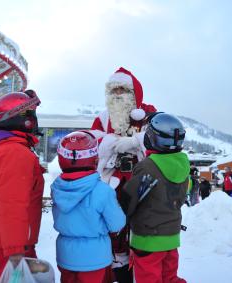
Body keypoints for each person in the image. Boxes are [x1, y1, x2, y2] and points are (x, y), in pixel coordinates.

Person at [90, 67, 156, 282]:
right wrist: (112, 143)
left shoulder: (147, 114)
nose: (118, 94)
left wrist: (136, 141)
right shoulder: (102, 118)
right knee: (113, 224)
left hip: (140, 181)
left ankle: (141, 267)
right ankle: (117, 267)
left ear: (135, 93)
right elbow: (92, 143)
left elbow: (157, 140)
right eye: (114, 90)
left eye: (123, 90)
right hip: (112, 182)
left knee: (139, 225)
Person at [0, 90, 44, 283]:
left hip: (10, 239)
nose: (34, 120)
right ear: (21, 120)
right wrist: (15, 251)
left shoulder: (10, 148)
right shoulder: (14, 152)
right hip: (11, 244)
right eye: (31, 115)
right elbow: (11, 203)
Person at [120, 113, 189, 283]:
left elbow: (129, 200)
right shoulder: (184, 164)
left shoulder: (148, 166)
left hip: (147, 240)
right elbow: (185, 190)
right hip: (172, 238)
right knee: (169, 278)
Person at [51, 131, 126, 283]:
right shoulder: (102, 191)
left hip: (65, 256)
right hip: (95, 258)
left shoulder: (56, 188)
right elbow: (117, 223)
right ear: (94, 158)